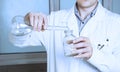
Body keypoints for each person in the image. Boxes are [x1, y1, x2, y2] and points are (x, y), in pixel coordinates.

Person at [22, 0, 120, 72]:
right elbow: (18, 40)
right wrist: (28, 21)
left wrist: (94, 54)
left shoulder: (116, 23)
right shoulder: (53, 19)